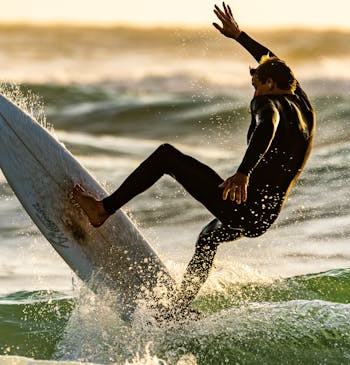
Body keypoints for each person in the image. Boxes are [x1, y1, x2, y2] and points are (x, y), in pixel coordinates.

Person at [72, 2, 316, 315]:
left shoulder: (268, 105)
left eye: (256, 83)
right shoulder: (301, 103)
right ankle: (180, 308)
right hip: (264, 217)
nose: (253, 89)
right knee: (207, 239)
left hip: (245, 207)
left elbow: (267, 127)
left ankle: (101, 210)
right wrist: (239, 36)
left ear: (269, 85)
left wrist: (243, 173)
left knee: (166, 157)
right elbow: (273, 60)